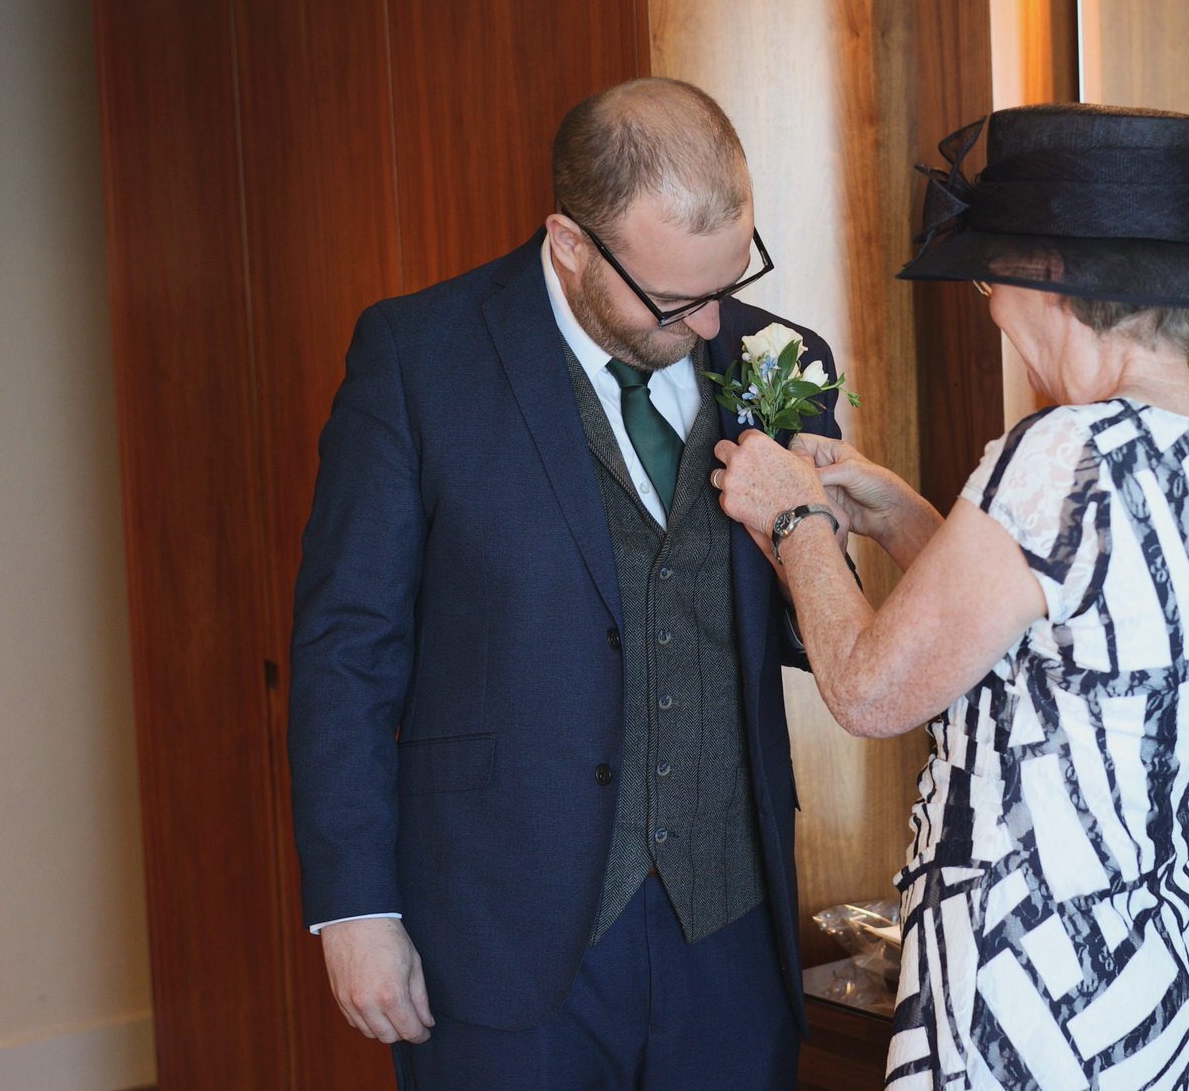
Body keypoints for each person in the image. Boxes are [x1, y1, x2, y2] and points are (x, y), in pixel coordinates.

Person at [710, 103, 1189, 1089]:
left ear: (1048, 279)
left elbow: (868, 691)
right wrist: (892, 512)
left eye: (992, 277)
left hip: (1022, 989)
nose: (990, 306)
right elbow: (1056, 640)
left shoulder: (1060, 451)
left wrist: (792, 523)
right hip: (1148, 985)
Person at [287, 77, 842, 1089]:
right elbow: (346, 648)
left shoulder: (779, 361)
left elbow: (811, 629)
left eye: (731, 277)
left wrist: (822, 524)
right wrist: (355, 907)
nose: (712, 317)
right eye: (675, 298)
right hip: (499, 933)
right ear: (571, 242)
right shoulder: (417, 358)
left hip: (727, 927)